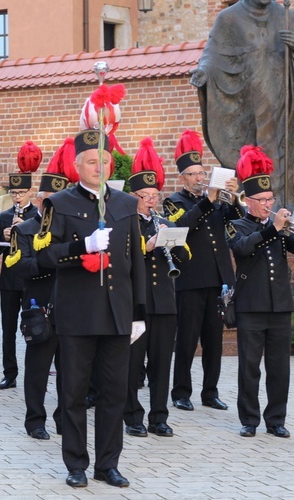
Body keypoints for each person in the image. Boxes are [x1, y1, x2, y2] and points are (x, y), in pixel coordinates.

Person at [37, 129, 146, 489]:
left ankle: (108, 463)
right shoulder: (60, 204)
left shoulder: (126, 204)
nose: (98, 167)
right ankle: (76, 463)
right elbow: (44, 256)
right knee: (74, 393)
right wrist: (82, 245)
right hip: (78, 313)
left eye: (104, 161)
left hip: (117, 313)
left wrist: (140, 313)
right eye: (91, 161)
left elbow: (136, 263)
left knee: (115, 392)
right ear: (76, 165)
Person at [225, 145, 294, 438]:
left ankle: (276, 419)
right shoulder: (236, 225)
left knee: (280, 369)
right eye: (262, 200)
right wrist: (271, 229)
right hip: (251, 306)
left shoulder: (281, 227)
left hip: (279, 306)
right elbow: (242, 248)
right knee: (249, 367)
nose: (267, 204)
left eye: (270, 199)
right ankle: (249, 420)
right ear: (248, 201)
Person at [191, 0, 294, 209]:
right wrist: (204, 71)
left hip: (277, 103)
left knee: (275, 155)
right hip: (242, 104)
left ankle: (278, 207)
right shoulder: (228, 17)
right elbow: (211, 54)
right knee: (244, 155)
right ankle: (245, 208)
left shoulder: (285, 15)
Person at [163, 130, 243, 413]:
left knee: (214, 340)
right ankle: (181, 392)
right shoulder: (173, 201)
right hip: (189, 280)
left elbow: (238, 221)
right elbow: (180, 229)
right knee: (186, 339)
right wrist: (207, 200)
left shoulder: (219, 200)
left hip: (218, 279)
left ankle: (210, 392)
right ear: (182, 177)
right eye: (193, 174)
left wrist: (231, 198)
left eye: (201, 173)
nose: (199, 178)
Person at [124, 138, 190, 439]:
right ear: (132, 196)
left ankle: (159, 416)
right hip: (137, 303)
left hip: (164, 302)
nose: (151, 200)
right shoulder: (126, 224)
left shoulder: (163, 221)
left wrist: (171, 241)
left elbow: (185, 256)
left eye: (154, 195)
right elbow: (122, 258)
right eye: (144, 195)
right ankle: (132, 415)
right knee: (133, 362)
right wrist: (147, 246)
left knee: (162, 362)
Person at [8, 171, 68, 440]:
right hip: (40, 307)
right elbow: (19, 267)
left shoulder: (70, 229)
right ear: (41, 202)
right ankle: (35, 420)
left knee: (70, 371)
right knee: (37, 370)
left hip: (70, 307)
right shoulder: (24, 229)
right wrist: (49, 261)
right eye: (50, 201)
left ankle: (64, 419)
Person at [0, 159, 39, 390]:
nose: (17, 196)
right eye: (14, 192)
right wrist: (5, 236)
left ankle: (34, 372)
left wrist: (26, 229)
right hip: (9, 280)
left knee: (34, 326)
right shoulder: (4, 216)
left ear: (31, 191)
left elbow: (43, 248)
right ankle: (9, 374)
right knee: (7, 327)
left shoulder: (39, 217)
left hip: (31, 280)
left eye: (21, 192)